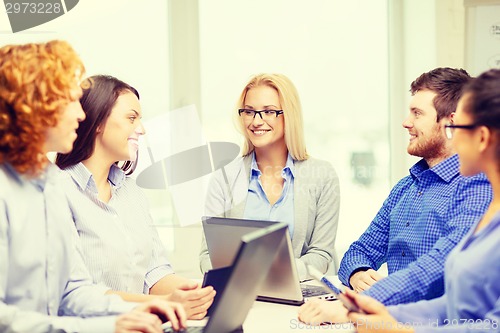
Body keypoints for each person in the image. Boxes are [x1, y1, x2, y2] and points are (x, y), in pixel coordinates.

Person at [0, 40, 186, 332]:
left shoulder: (47, 184)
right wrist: (106, 326)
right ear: (34, 105)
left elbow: (71, 290)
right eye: (69, 100)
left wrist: (134, 310)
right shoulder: (14, 191)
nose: (81, 114)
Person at [298, 67, 493, 324]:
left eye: (417, 113)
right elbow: (359, 251)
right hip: (394, 317)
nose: (406, 122)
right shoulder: (405, 187)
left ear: (451, 123)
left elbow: (437, 267)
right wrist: (358, 274)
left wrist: (361, 307)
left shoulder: (476, 187)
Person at [55, 75, 215, 320]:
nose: (141, 129)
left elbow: (155, 271)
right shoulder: (58, 193)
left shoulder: (132, 193)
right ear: (97, 121)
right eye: (131, 118)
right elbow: (74, 293)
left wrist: (195, 293)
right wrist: (160, 304)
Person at [199, 73, 340, 280]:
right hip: (239, 293)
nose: (256, 121)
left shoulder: (323, 176)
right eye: (249, 111)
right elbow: (207, 255)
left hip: (299, 295)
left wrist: (275, 274)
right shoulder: (224, 178)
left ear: (288, 115)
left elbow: (322, 254)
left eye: (268, 111)